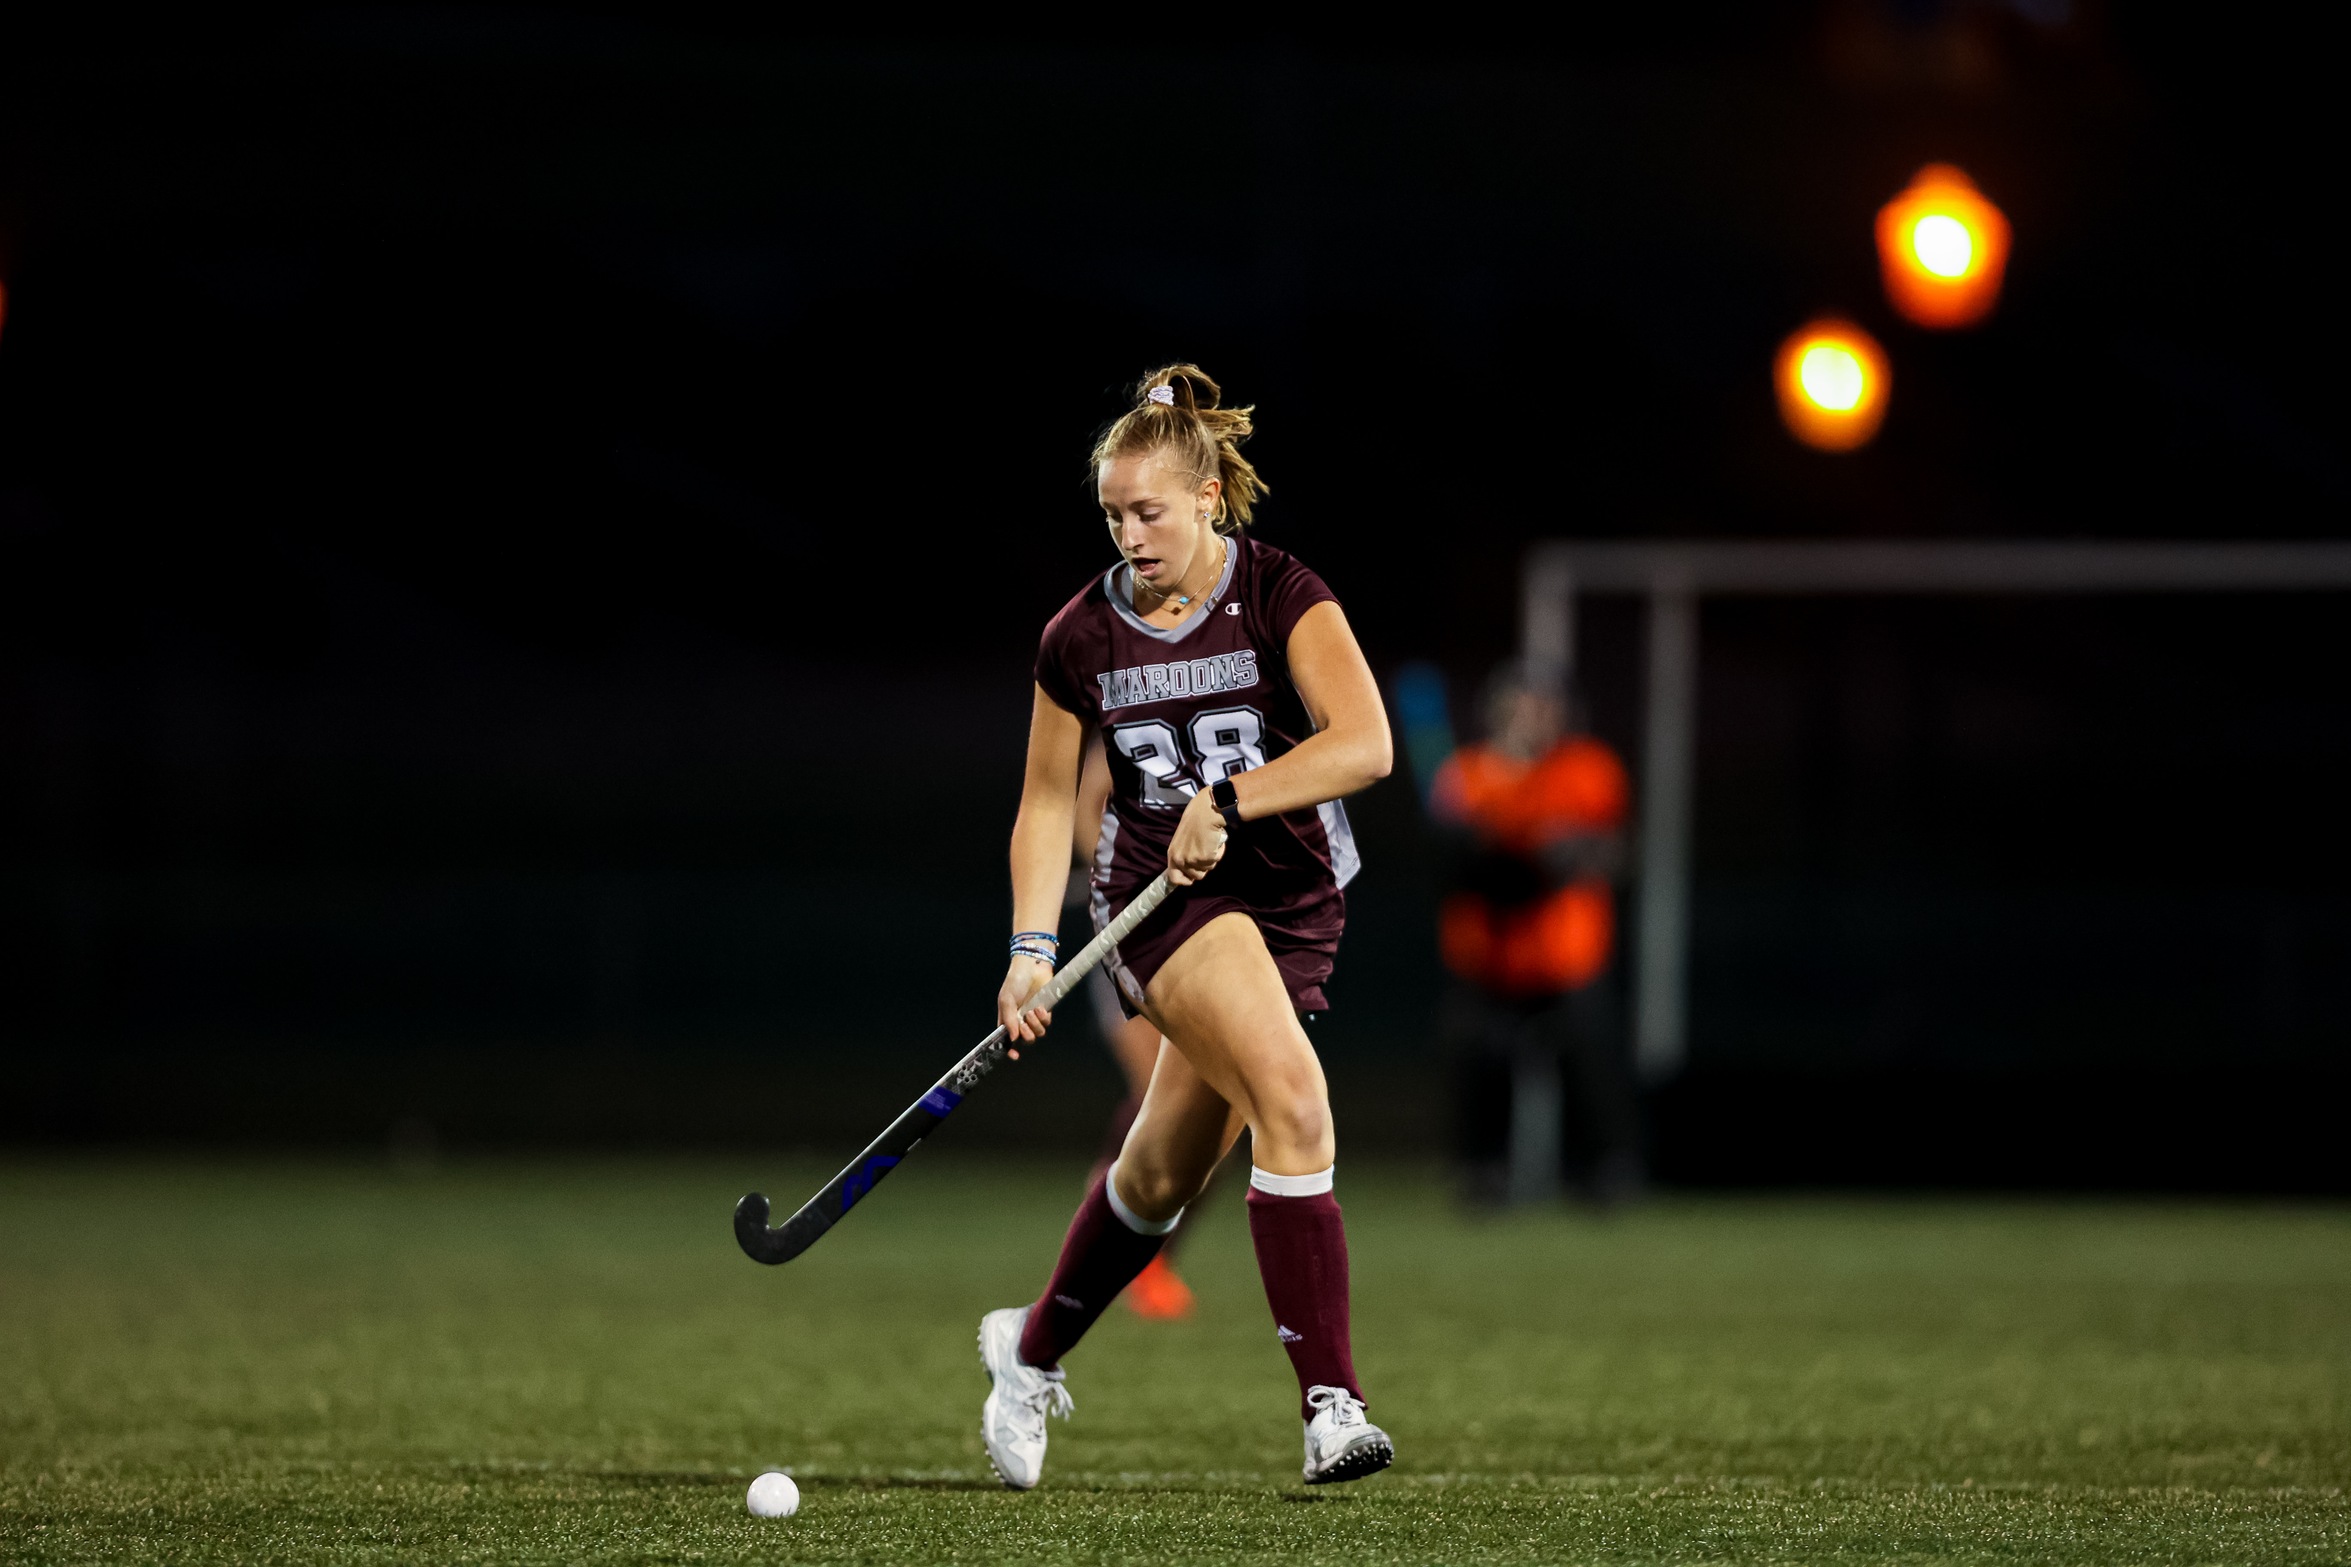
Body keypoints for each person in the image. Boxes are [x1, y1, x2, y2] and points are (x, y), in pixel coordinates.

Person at [979, 364, 1395, 1490]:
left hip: (1293, 899)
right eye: (1112, 513)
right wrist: (1027, 950)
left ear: (1208, 494)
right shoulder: (1080, 636)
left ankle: (1023, 1351)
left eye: (1147, 509)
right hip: (1165, 905)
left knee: (1159, 1175)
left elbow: (1363, 743)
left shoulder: (1279, 593)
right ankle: (1330, 1407)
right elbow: (1043, 802)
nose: (1127, 533)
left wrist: (1231, 800)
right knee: (1293, 1102)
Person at [1432, 663, 1642, 1206]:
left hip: (1565, 957)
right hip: (1487, 959)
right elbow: (1454, 852)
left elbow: (1598, 849)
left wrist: (1535, 856)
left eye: (1545, 705)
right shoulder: (1468, 771)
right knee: (1479, 1063)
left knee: (1590, 1068)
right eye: (1523, 704)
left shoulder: (1585, 768)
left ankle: (1601, 1174)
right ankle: (1484, 1174)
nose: (1533, 717)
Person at [1068, 735, 1216, 1321]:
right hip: (1132, 924)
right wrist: (1123, 882)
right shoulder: (1132, 700)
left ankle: (1153, 1258)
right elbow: (1086, 804)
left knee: (1213, 1115)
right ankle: (1102, 1260)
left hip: (1209, 927)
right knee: (1157, 1097)